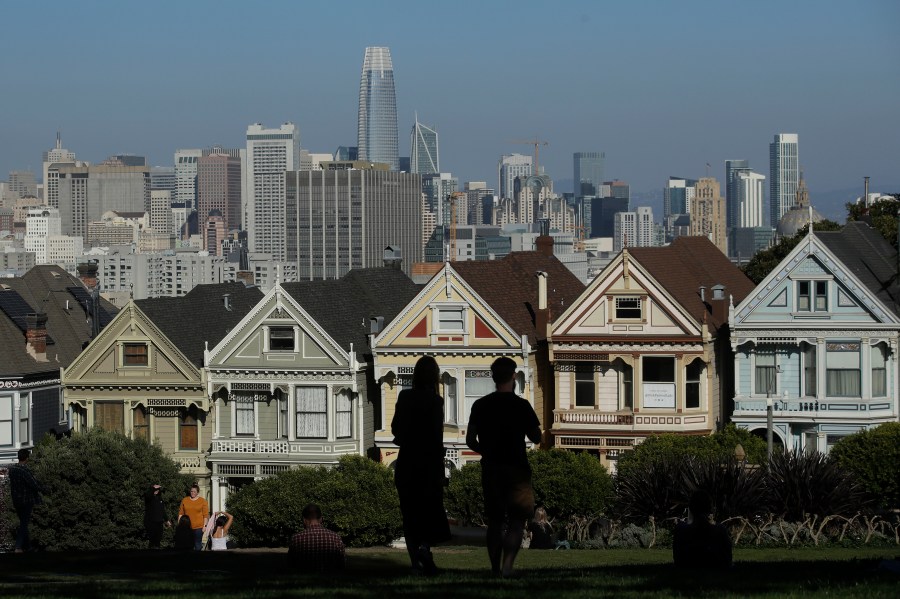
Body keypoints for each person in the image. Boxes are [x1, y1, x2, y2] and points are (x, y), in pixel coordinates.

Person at [466, 357, 541, 578]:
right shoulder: (521, 405)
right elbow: (536, 437)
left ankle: (494, 568)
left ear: (493, 377)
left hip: (492, 467)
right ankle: (508, 566)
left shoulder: (480, 405)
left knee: (495, 521)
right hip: (517, 467)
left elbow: (470, 439)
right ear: (513, 376)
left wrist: (486, 451)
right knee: (517, 520)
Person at [391, 355, 451, 575]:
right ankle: (425, 550)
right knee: (429, 511)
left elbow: (396, 428)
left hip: (407, 461)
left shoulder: (405, 397)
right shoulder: (435, 402)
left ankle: (415, 562)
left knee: (410, 514)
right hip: (428, 463)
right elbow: (436, 436)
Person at [673, 491, 733, 569]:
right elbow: (728, 560)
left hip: (688, 567)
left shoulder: (681, 530)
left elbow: (677, 559)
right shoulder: (720, 530)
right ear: (710, 508)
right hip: (714, 568)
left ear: (691, 507)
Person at [288, 503, 346, 572]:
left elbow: (290, 564)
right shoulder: (335, 537)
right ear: (321, 519)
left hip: (305, 580)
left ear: (304, 520)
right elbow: (342, 563)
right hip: (330, 579)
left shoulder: (296, 538)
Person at [8, 448, 45, 553]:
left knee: (23, 522)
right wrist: (45, 488)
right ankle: (18, 547)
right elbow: (34, 484)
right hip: (26, 500)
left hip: (16, 500)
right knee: (24, 524)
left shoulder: (13, 470)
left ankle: (28, 547)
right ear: (27, 458)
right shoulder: (24, 471)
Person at [178, 483, 209, 551]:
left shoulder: (202, 501)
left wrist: (205, 526)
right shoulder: (185, 500)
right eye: (191, 491)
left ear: (197, 492)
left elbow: (205, 515)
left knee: (197, 544)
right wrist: (179, 524)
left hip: (198, 527)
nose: (192, 493)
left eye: (194, 491)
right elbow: (181, 513)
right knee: (188, 544)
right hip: (187, 526)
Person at [143, 484, 171, 549]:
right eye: (155, 489)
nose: (156, 491)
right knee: (152, 541)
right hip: (151, 522)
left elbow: (162, 510)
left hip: (159, 522)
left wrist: (167, 520)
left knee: (158, 541)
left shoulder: (159, 498)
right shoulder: (149, 498)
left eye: (157, 489)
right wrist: (153, 488)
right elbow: (148, 496)